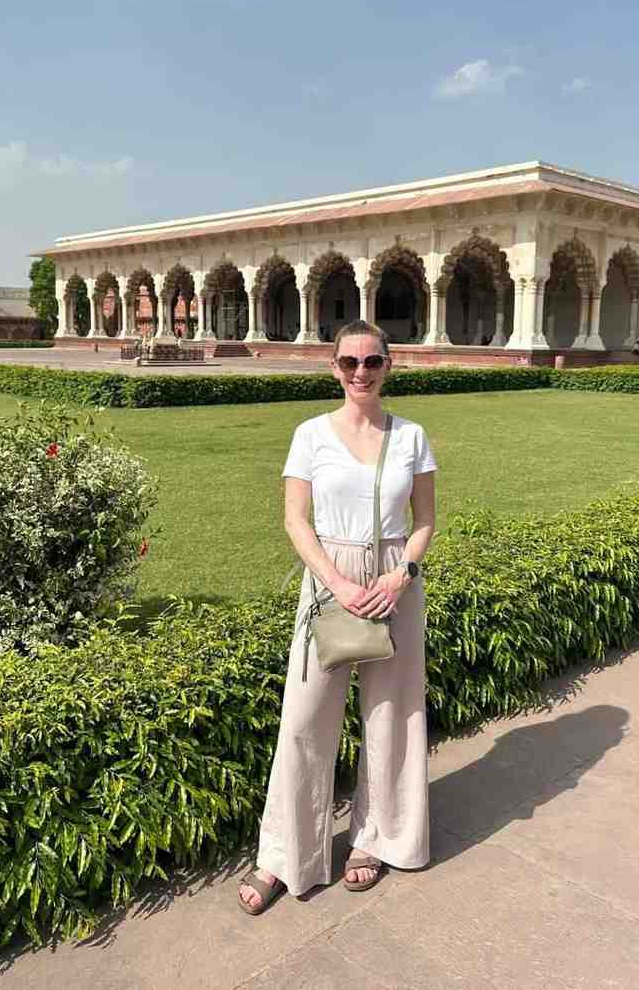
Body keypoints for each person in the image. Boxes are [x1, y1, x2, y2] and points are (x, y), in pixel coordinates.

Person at [238, 319, 437, 914]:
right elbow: (296, 520)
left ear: (388, 366)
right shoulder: (310, 435)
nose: (360, 372)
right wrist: (337, 583)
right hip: (330, 581)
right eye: (349, 362)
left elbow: (424, 519)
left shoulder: (412, 437)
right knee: (303, 719)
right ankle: (284, 854)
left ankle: (375, 839)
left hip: (394, 581)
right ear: (333, 367)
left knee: (391, 716)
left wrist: (401, 574)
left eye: (372, 362)